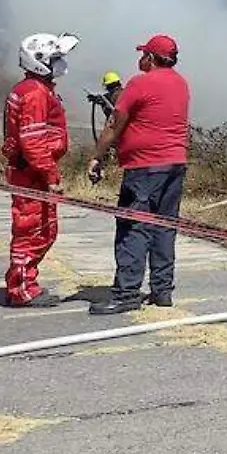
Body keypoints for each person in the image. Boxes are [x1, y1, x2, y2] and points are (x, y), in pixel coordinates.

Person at [85, 34, 191, 315]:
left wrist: (96, 156)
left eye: (144, 54)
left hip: (144, 168)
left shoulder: (140, 82)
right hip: (175, 164)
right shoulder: (181, 84)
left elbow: (113, 124)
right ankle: (162, 290)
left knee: (134, 228)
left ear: (152, 58)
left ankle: (126, 293)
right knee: (164, 227)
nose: (140, 58)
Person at [2, 32, 77, 308]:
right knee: (31, 231)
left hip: (32, 172)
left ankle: (25, 283)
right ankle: (21, 289)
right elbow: (32, 141)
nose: (61, 64)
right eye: (56, 58)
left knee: (42, 231)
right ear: (39, 61)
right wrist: (50, 175)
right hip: (32, 174)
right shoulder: (35, 93)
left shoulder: (34, 89)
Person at [86, 71, 123, 136]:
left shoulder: (125, 96)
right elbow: (103, 99)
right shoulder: (108, 97)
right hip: (113, 129)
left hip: (119, 130)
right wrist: (95, 98)